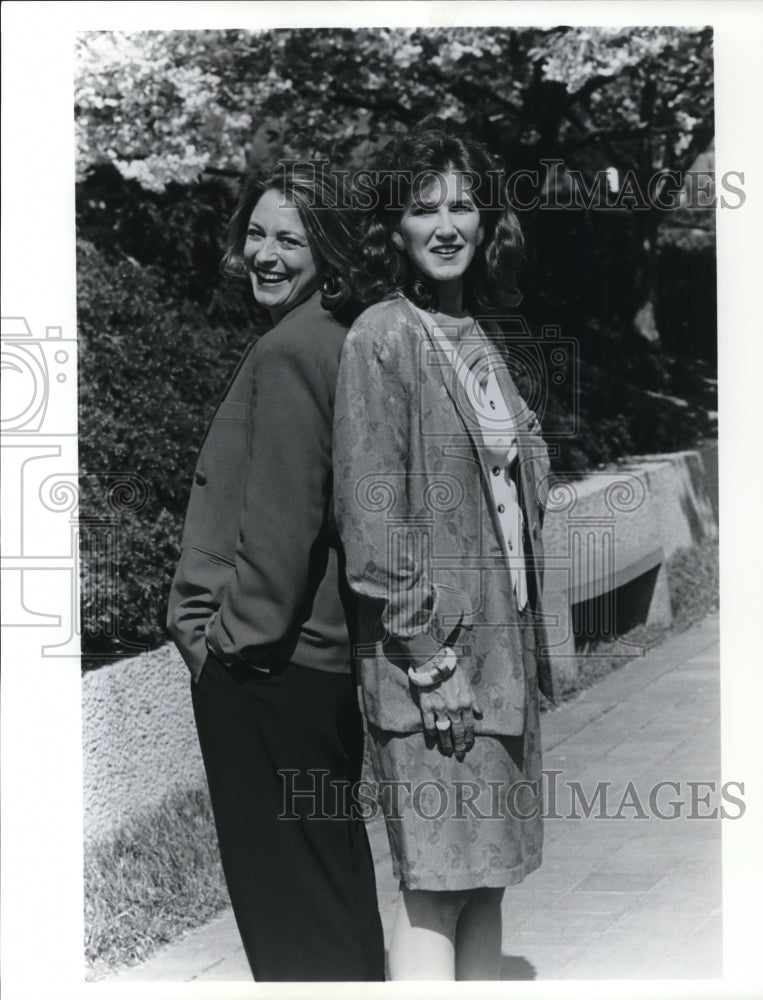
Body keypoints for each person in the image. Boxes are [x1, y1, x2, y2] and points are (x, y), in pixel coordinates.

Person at [332, 119, 553, 980]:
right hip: (434, 664)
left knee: (487, 881)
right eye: (424, 210)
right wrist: (429, 658)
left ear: (489, 221)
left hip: (500, 655)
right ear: (394, 228)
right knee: (437, 886)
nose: (447, 226)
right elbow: (372, 517)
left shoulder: (474, 335)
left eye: (464, 206)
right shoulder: (381, 336)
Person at [167, 163, 385, 982]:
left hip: (268, 671)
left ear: (327, 249)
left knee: (291, 919)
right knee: (330, 894)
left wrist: (224, 644)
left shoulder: (292, 349)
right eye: (256, 233)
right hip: (316, 670)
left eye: (289, 238)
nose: (264, 253)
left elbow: (284, 526)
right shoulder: (338, 336)